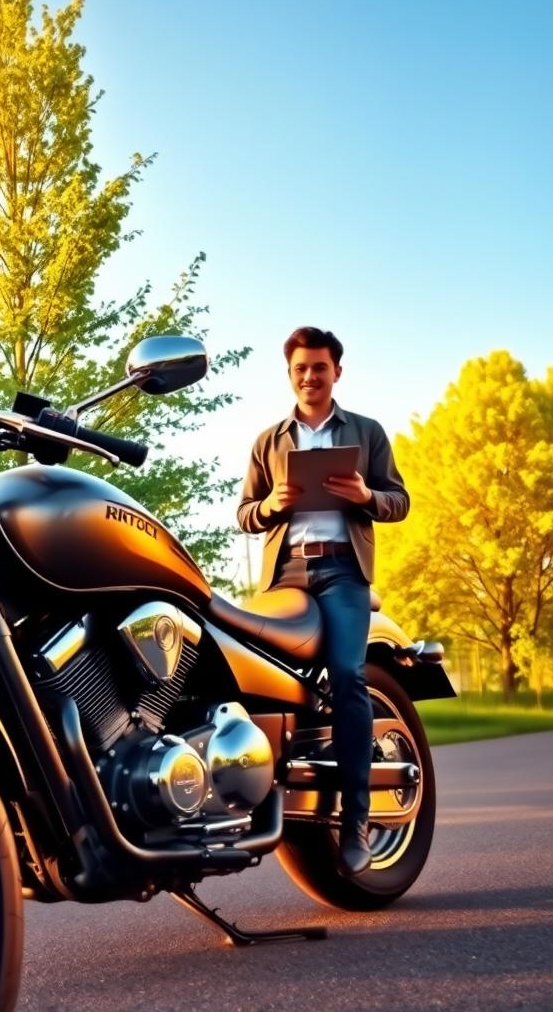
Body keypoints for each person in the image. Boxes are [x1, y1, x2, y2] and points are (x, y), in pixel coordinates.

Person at [237, 326, 409, 876]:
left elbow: (399, 501)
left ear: (337, 371)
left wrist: (365, 496)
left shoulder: (367, 431)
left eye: (319, 367)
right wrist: (271, 504)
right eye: (300, 369)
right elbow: (243, 514)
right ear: (290, 375)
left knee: (347, 676)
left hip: (342, 570)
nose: (310, 377)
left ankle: (357, 819)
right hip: (285, 575)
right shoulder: (268, 440)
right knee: (255, 678)